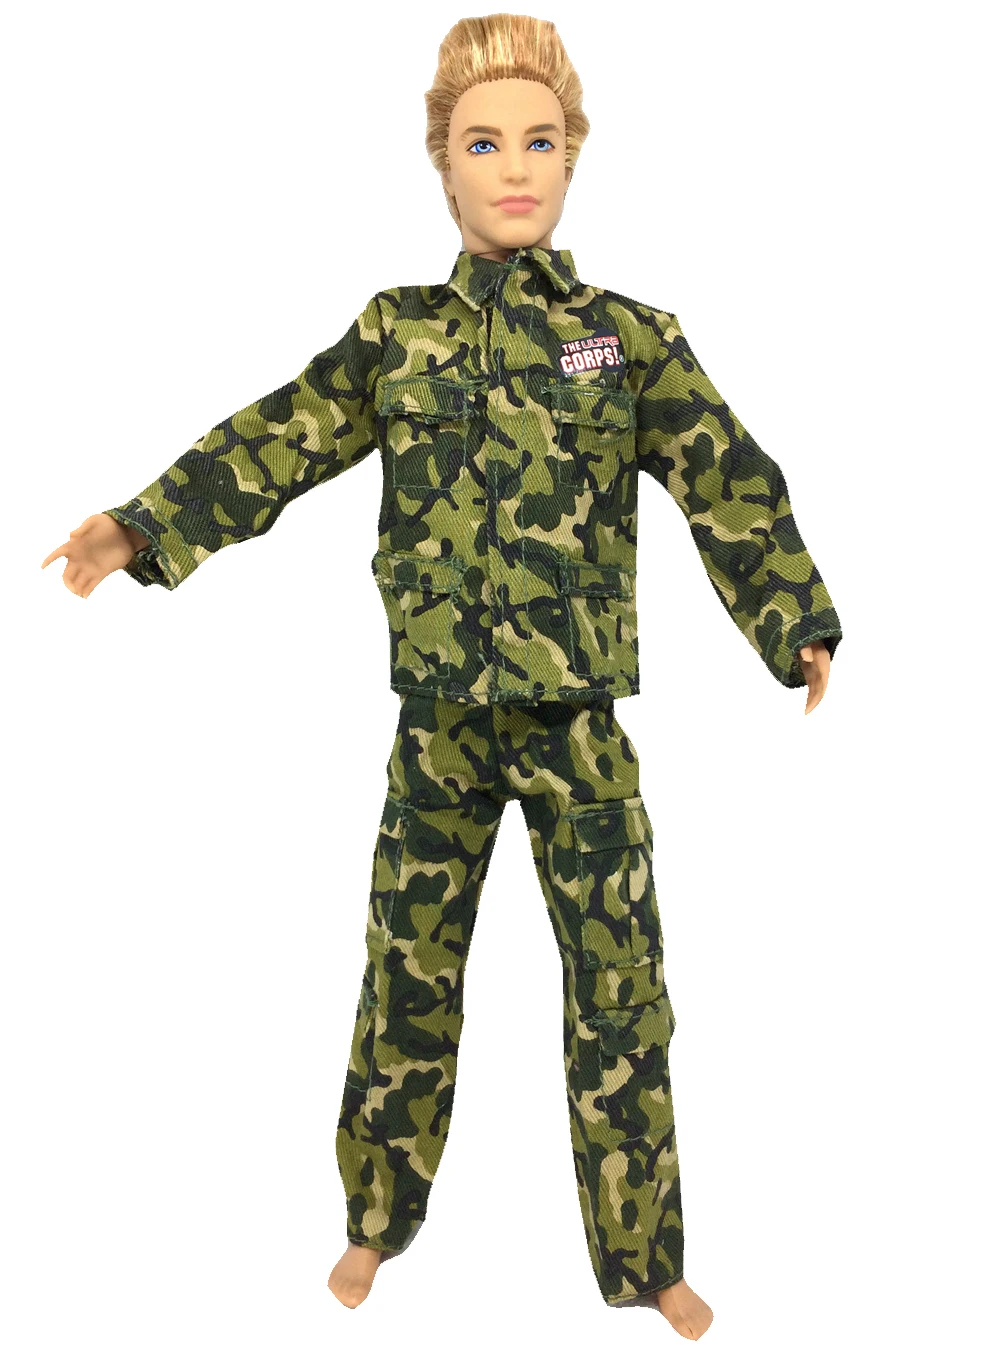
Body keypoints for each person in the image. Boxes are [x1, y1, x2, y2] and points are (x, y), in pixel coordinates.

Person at [41, 13, 842, 1339]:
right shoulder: (398, 337)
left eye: (540, 140)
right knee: (406, 978)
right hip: (441, 731)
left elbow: (728, 478)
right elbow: (280, 436)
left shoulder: (626, 340)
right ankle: (372, 1223)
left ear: (573, 156)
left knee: (622, 992)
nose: (514, 167)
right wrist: (144, 526)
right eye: (483, 143)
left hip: (577, 726)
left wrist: (793, 616)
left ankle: (646, 1257)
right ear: (442, 162)